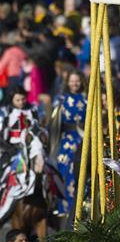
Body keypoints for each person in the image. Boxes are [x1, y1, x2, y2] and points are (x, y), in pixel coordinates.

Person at [0, 85, 47, 224]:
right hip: (10, 150)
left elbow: (39, 129)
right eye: (18, 100)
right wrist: (10, 148)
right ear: (12, 99)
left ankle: (52, 206)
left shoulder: (33, 110)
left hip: (32, 148)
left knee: (47, 171)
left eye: (23, 99)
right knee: (5, 174)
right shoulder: (4, 113)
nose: (21, 103)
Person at [51, 70, 87, 218]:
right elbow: (54, 122)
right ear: (67, 82)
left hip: (82, 139)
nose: (74, 84)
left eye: (77, 80)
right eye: (72, 81)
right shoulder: (61, 99)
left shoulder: (87, 99)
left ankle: (79, 206)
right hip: (66, 140)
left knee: (79, 170)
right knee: (63, 169)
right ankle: (63, 206)